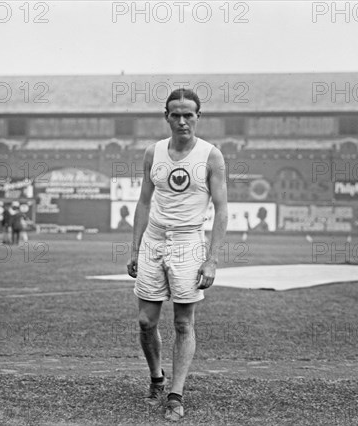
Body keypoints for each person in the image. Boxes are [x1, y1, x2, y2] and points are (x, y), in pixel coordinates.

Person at [127, 88, 228, 421]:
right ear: (166, 116)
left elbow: (221, 208)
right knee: (146, 321)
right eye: (176, 114)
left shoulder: (211, 156)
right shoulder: (152, 153)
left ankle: (175, 394)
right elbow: (143, 201)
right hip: (154, 240)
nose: (182, 120)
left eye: (189, 114)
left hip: (188, 242)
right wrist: (135, 246)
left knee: (184, 322)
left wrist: (211, 259)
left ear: (198, 116)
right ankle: (157, 377)